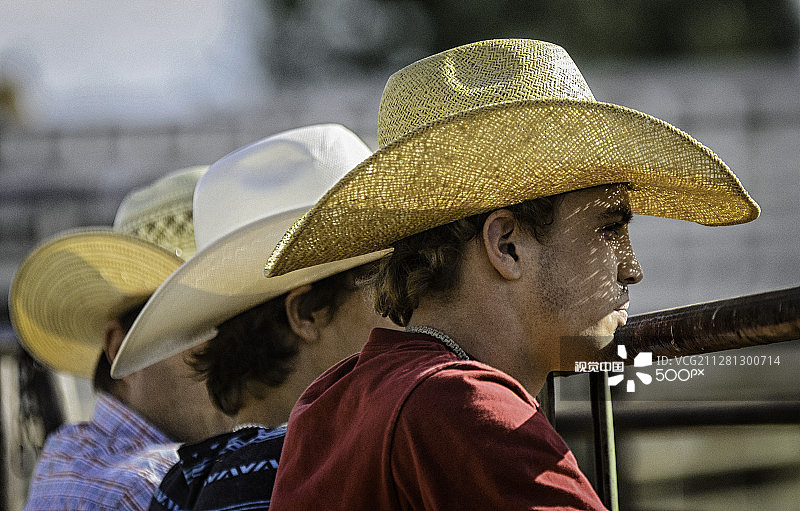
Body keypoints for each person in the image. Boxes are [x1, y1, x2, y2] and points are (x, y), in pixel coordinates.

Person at [265, 39, 760, 510]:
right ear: (507, 245)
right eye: (609, 228)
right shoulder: (467, 409)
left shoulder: (331, 401)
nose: (633, 268)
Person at [108, 125, 395, 510]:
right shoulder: (352, 467)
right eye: (385, 288)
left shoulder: (184, 482)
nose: (404, 310)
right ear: (308, 313)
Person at [9, 167, 233, 511]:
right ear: (121, 347)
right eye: (202, 330)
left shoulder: (68, 453)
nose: (237, 356)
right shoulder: (156, 486)